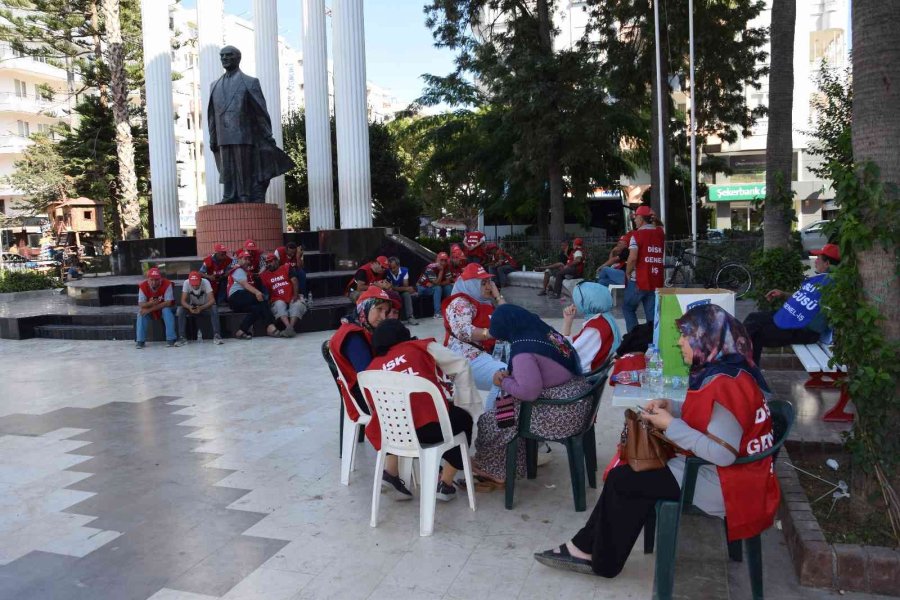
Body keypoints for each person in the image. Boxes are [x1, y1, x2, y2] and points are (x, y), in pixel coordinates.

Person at [534, 304, 779, 578]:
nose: (680, 342)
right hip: (729, 474)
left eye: (686, 336)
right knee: (631, 475)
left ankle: (597, 559)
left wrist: (670, 424)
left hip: (727, 484)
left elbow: (723, 454)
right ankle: (586, 549)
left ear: (706, 339)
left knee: (625, 479)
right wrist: (672, 407)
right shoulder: (730, 370)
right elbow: (710, 415)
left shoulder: (725, 382)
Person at [470, 304, 591, 484]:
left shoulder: (523, 351)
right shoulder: (543, 331)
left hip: (562, 413)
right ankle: (507, 464)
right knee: (506, 412)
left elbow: (529, 393)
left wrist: (503, 381)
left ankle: (495, 469)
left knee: (492, 421)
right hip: (577, 399)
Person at [366, 319, 479, 502]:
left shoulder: (371, 369)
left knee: (401, 417)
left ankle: (391, 472)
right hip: (430, 429)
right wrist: (465, 404)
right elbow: (461, 365)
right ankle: (445, 484)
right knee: (462, 419)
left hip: (394, 436)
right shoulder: (420, 347)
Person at [329, 287, 412, 499]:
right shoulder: (353, 337)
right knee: (415, 404)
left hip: (367, 390)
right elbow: (369, 376)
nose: (384, 316)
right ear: (364, 308)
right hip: (364, 397)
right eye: (379, 310)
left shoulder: (360, 327)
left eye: (387, 311)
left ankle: (408, 461)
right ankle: (399, 468)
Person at [207, 45, 294, 203]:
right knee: (226, 168)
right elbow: (212, 115)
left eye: (229, 55)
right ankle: (228, 196)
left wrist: (267, 134)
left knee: (243, 167)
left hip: (243, 134)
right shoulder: (214, 85)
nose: (224, 58)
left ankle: (245, 195)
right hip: (222, 135)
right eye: (222, 55)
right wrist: (212, 136)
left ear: (238, 58)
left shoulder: (250, 82)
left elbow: (260, 111)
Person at [743, 243, 838, 365]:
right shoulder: (821, 279)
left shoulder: (833, 285)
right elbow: (805, 299)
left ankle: (746, 369)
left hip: (803, 329)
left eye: (818, 258)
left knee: (756, 333)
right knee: (752, 318)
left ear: (827, 263)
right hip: (792, 317)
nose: (815, 261)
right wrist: (784, 294)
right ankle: (745, 367)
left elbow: (818, 322)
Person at [442, 263, 507, 409]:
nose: (488, 286)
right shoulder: (460, 302)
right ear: (471, 285)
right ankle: (490, 420)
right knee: (506, 377)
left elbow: (509, 319)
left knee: (522, 371)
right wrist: (491, 333)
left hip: (484, 355)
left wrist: (498, 296)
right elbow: (463, 331)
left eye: (489, 282)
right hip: (464, 359)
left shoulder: (484, 302)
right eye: (483, 283)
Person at [562, 282, 622, 373]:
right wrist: (568, 321)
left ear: (587, 302)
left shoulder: (595, 328)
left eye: (578, 300)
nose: (575, 303)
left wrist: (567, 323)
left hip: (580, 376)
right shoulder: (605, 319)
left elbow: (567, 356)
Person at [622, 205, 665, 332]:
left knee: (628, 308)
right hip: (655, 281)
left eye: (636, 217)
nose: (635, 220)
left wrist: (627, 272)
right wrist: (653, 217)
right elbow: (660, 225)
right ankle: (652, 340)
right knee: (651, 316)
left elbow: (632, 258)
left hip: (639, 281)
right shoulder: (660, 233)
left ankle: (634, 338)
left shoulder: (636, 235)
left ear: (641, 218)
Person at [227, 250, 280, 339]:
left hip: (239, 301)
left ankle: (241, 331)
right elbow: (245, 285)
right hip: (236, 296)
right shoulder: (238, 269)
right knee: (261, 298)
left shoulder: (245, 272)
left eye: (249, 259)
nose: (248, 261)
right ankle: (270, 326)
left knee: (257, 309)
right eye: (245, 259)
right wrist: (257, 292)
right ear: (239, 259)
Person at [258, 253, 307, 337]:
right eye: (267, 262)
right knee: (279, 305)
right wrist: (262, 270)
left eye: (271, 261)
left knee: (297, 305)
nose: (269, 264)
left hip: (292, 295)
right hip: (277, 298)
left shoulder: (286, 267)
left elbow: (294, 280)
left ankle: (290, 328)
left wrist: (295, 295)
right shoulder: (265, 275)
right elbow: (257, 279)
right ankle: (289, 327)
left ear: (277, 261)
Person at [176, 271, 223, 345]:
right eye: (193, 284)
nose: (195, 286)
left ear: (200, 280)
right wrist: (189, 307)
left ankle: (217, 335)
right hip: (193, 307)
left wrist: (201, 308)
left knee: (214, 308)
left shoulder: (206, 282)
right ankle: (182, 337)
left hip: (205, 306)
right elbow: (182, 301)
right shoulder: (186, 283)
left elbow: (212, 300)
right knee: (181, 310)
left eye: (196, 284)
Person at [135, 267, 177, 349]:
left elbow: (168, 302)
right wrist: (150, 303)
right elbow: (141, 304)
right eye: (151, 280)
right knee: (141, 313)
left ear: (160, 279)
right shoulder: (143, 286)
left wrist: (150, 309)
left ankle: (171, 339)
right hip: (152, 309)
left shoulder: (167, 284)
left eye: (156, 280)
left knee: (166, 311)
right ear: (148, 279)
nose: (154, 282)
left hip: (166, 308)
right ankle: (140, 341)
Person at [416, 252, 454, 320]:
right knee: (438, 288)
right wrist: (441, 271)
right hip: (422, 287)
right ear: (437, 260)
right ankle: (437, 313)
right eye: (441, 260)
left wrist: (436, 284)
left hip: (433, 286)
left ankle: (451, 311)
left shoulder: (447, 266)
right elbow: (436, 282)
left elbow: (448, 281)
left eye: (445, 260)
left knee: (449, 287)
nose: (443, 262)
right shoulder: (430, 267)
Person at [384, 256, 419, 325]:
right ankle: (396, 319)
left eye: (394, 268)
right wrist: (402, 288)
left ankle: (410, 317)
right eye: (390, 268)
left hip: (402, 291)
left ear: (398, 266)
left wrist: (396, 287)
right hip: (392, 292)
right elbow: (389, 287)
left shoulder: (404, 270)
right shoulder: (387, 272)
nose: (392, 270)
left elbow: (405, 285)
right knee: (394, 294)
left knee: (406, 294)